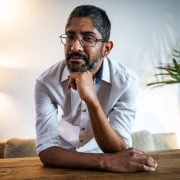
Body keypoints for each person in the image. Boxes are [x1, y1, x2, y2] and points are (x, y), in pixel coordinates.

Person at [35, 5, 157, 172]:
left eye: (88, 38)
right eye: (70, 36)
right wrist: (105, 162)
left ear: (106, 48)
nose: (75, 47)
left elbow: (118, 148)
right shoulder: (46, 83)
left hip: (110, 161)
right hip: (64, 161)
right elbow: (47, 150)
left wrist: (91, 99)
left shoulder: (125, 82)